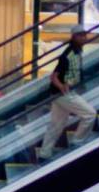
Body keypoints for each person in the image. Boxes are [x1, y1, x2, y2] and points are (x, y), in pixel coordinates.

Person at [37, 27, 95, 160]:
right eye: (81, 36)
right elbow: (54, 76)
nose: (84, 38)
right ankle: (77, 141)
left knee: (56, 124)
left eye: (85, 35)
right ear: (74, 37)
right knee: (90, 114)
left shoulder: (76, 51)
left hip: (59, 94)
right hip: (64, 94)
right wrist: (62, 86)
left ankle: (44, 154)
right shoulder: (68, 54)